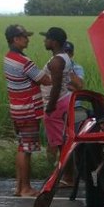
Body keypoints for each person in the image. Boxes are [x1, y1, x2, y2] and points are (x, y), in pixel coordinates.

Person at [3, 24, 48, 197]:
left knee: (22, 146)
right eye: (24, 36)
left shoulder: (8, 58)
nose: (27, 39)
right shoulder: (23, 61)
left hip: (18, 108)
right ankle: (25, 188)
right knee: (26, 149)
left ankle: (19, 187)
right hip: (28, 109)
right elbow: (44, 79)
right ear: (16, 39)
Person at [40, 27, 76, 186]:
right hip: (64, 100)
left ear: (53, 42)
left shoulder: (56, 61)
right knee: (64, 141)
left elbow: (56, 86)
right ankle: (68, 175)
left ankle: (68, 177)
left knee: (61, 143)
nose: (44, 41)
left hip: (57, 104)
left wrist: (50, 107)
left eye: (46, 38)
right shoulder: (64, 58)